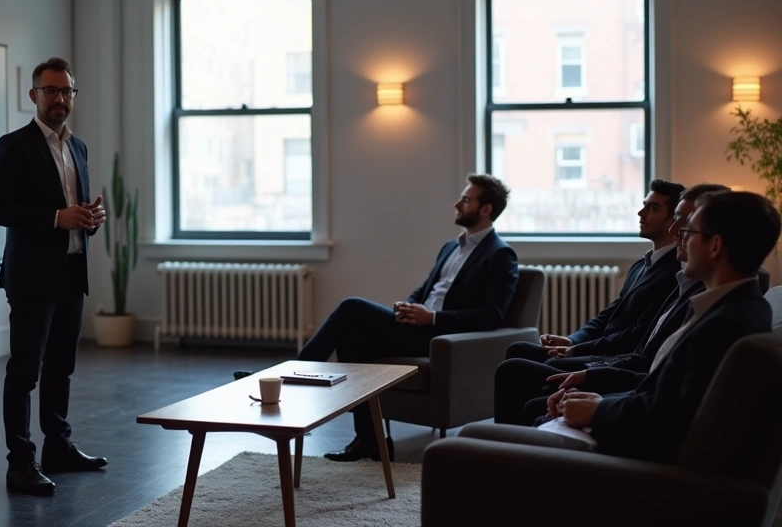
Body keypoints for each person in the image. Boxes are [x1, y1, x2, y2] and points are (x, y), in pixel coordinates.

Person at [541, 190, 779, 462]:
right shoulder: (736, 306)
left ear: (715, 246)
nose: (680, 238)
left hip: (640, 469)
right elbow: (670, 393)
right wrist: (600, 400)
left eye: (689, 231)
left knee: (532, 420)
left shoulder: (725, 323)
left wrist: (599, 411)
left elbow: (672, 419)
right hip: (636, 424)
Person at [300, 174, 519, 462]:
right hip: (417, 327)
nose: (457, 203)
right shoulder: (451, 247)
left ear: (486, 209)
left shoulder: (500, 254)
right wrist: (409, 305)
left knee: (351, 307)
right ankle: (372, 441)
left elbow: (493, 315)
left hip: (440, 337)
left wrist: (433, 318)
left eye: (466, 199)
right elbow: (426, 289)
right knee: (352, 341)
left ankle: (293, 376)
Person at [0, 57, 108, 495]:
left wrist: (90, 219)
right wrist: (59, 217)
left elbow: (76, 209)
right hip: (33, 278)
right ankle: (20, 463)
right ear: (33, 94)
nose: (60, 99)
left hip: (72, 273)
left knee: (61, 369)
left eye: (67, 92)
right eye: (51, 90)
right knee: (24, 373)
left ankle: (58, 447)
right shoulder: (13, 146)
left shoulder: (79, 147)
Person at [511, 184, 729, 425]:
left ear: (715, 244)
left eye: (686, 224)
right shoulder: (686, 286)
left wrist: (599, 401)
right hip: (626, 373)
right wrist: (575, 341)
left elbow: (667, 400)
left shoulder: (715, 311)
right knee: (524, 362)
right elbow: (617, 319)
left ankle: (491, 450)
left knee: (523, 377)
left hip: (623, 373)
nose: (675, 230)